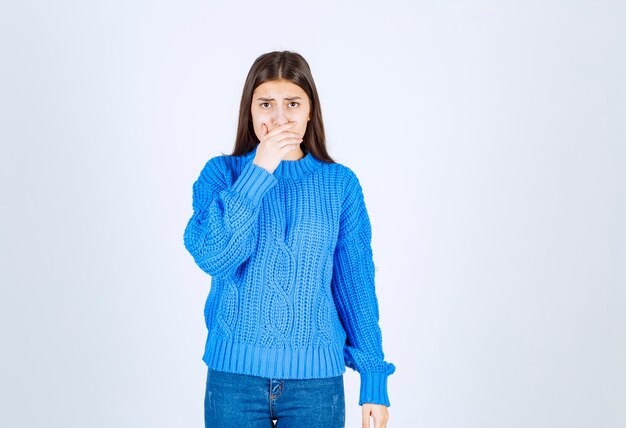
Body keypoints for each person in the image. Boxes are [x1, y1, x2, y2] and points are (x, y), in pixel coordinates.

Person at [183, 50, 396, 428]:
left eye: (292, 103)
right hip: (234, 379)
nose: (279, 118)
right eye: (266, 104)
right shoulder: (222, 174)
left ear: (311, 110)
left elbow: (356, 286)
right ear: (249, 110)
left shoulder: (339, 184)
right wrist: (258, 170)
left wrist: (373, 380)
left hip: (315, 386)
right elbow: (215, 257)